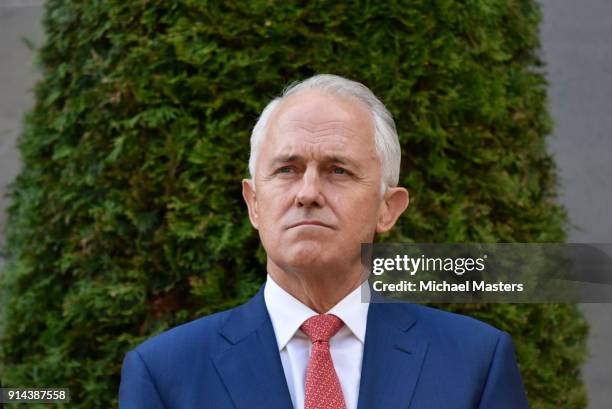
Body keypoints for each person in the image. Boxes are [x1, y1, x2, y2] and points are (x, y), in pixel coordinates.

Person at [119, 74, 529, 409]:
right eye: (286, 169)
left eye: (338, 171)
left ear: (388, 208)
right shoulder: (165, 374)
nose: (308, 192)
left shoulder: (474, 362)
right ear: (254, 203)